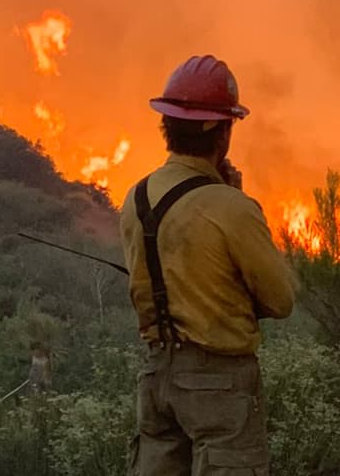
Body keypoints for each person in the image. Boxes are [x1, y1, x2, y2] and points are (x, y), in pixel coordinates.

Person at [120, 54, 293, 476]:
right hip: (220, 384)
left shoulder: (136, 199)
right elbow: (280, 299)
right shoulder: (231, 208)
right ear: (223, 132)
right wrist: (233, 200)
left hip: (156, 374)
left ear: (167, 126)